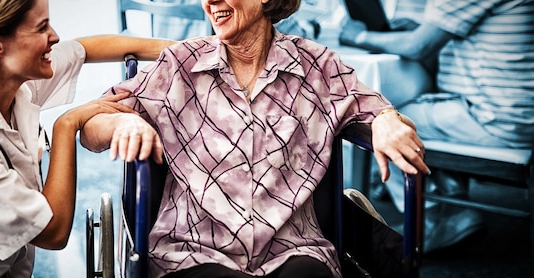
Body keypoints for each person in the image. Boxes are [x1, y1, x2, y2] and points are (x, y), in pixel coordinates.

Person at [80, 0, 430, 277]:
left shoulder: (316, 66)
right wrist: (121, 125)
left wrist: (386, 118)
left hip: (294, 249)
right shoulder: (180, 65)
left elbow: (374, 106)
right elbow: (91, 126)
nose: (210, 1)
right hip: (193, 250)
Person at [0, 0, 175, 276]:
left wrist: (185, 49)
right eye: (41, 27)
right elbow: (53, 233)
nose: (55, 36)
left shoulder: (11, 82)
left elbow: (85, 49)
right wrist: (66, 126)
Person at [339, 0, 534, 253]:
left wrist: (359, 36)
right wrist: (425, 27)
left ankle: (434, 218)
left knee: (385, 124)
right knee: (409, 114)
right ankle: (455, 210)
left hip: (494, 118)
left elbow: (418, 46)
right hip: (515, 113)